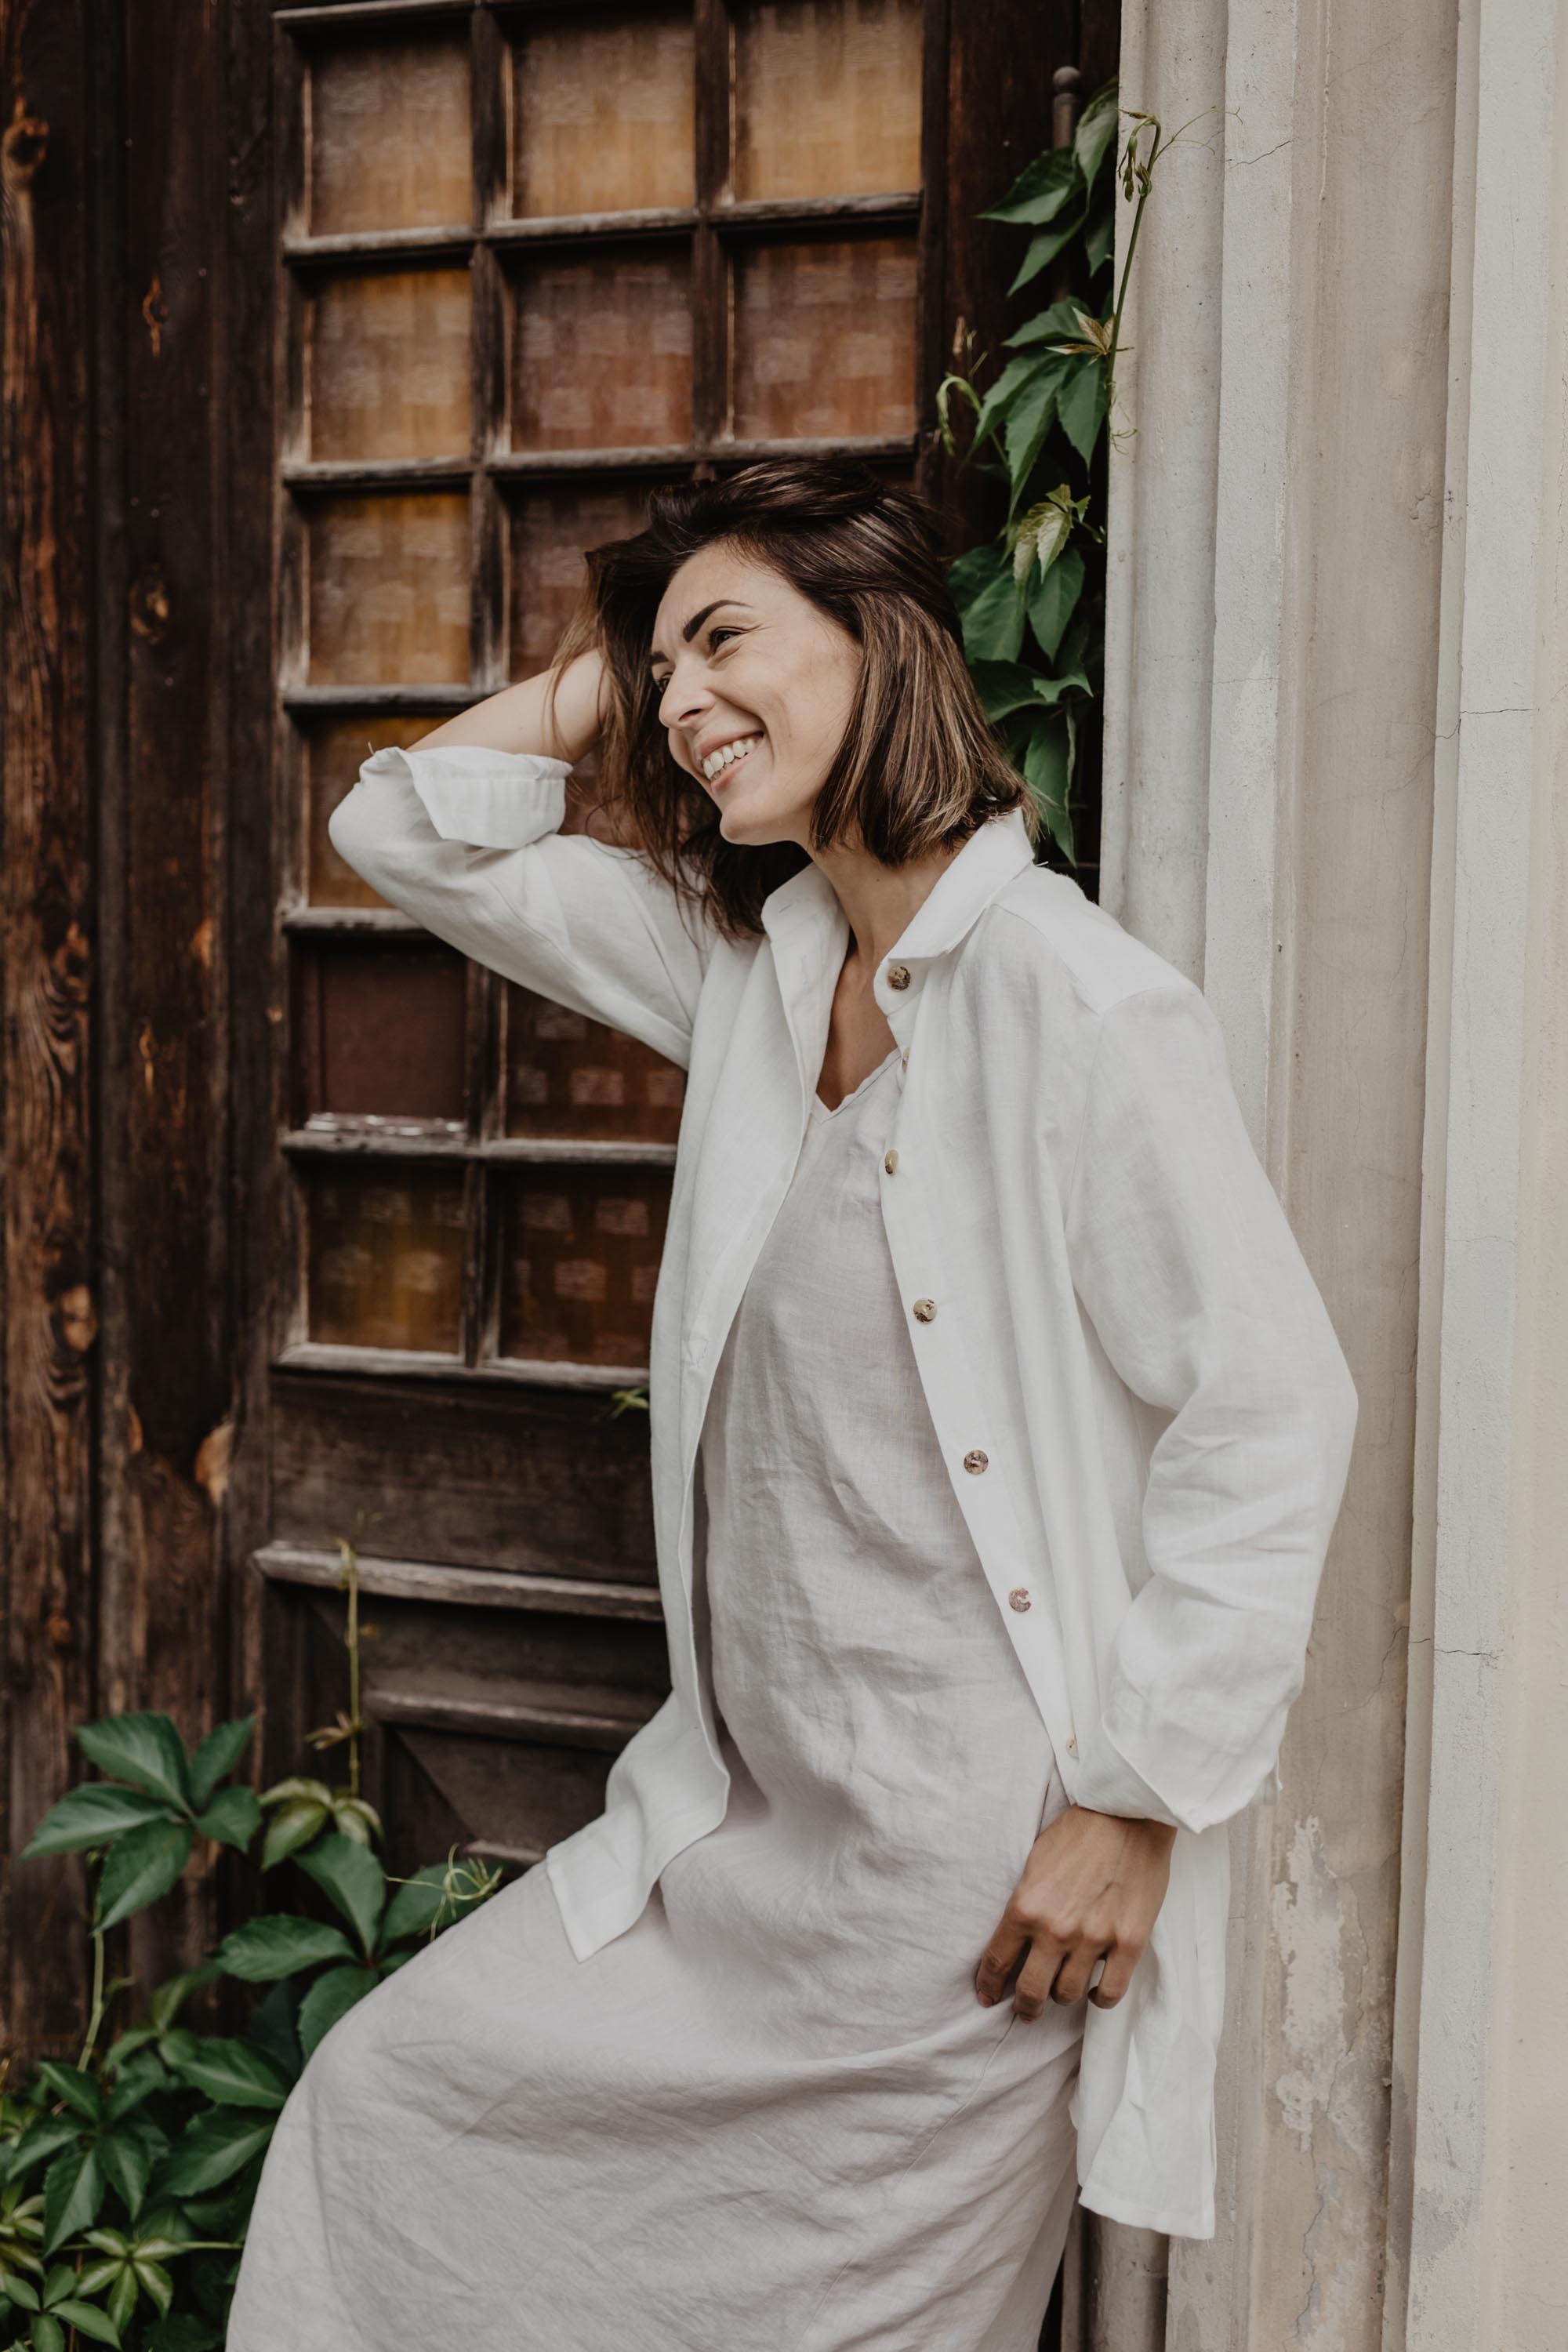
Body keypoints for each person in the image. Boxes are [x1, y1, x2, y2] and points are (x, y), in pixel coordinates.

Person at [227, 459, 1357, 2351]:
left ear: (881, 640)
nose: (679, 704)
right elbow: (407, 833)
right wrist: (627, 658)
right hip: (738, 1830)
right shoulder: (755, 977)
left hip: (965, 1882)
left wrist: (1136, 1803)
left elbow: (1266, 1416)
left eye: (725, 640)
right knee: (386, 2105)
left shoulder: (1081, 1008)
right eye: (659, 671)